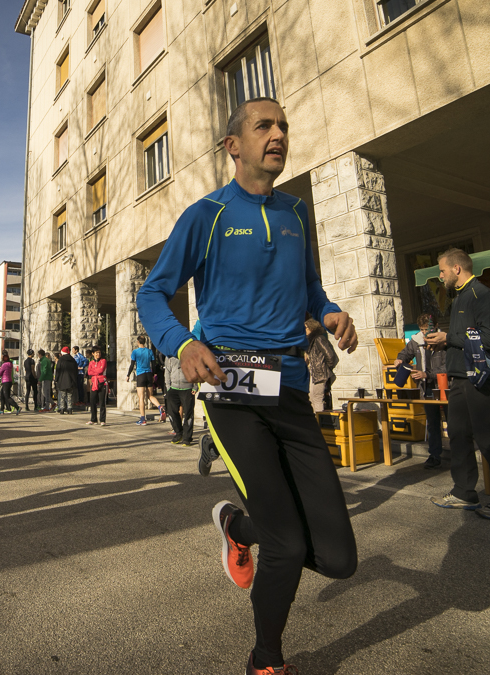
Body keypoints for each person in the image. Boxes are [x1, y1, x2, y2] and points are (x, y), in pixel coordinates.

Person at [137, 97, 360, 675]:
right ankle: (266, 659)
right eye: (265, 125)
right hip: (231, 389)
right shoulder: (206, 215)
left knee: (339, 559)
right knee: (287, 543)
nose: (278, 133)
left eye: (283, 125)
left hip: (290, 388)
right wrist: (182, 343)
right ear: (233, 146)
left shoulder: (296, 213)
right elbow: (151, 292)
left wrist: (329, 311)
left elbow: (310, 289)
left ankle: (237, 525)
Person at [425, 248, 490, 519]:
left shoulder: (483, 295)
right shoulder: (459, 298)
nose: (441, 276)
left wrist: (449, 338)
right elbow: (465, 339)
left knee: (488, 439)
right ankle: (463, 493)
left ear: (456, 269)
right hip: (458, 377)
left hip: (480, 378)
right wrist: (444, 344)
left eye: (442, 270)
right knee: (457, 435)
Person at [394, 313, 448, 469]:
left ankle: (460, 454)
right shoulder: (417, 340)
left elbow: (449, 366)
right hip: (427, 387)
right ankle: (434, 455)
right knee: (432, 422)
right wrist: (400, 359)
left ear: (435, 326)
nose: (425, 333)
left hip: (444, 385)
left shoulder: (443, 340)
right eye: (422, 329)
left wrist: (427, 374)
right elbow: (405, 353)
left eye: (427, 329)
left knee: (452, 421)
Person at [127, 336, 164, 425]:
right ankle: (160, 407)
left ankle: (143, 419)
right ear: (145, 341)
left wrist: (128, 375)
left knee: (141, 398)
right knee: (150, 396)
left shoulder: (135, 352)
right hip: (149, 374)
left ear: (137, 342)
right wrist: (153, 374)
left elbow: (132, 365)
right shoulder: (150, 351)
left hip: (141, 375)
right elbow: (153, 364)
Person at [304, 317, 338, 413]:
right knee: (312, 397)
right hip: (315, 373)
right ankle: (316, 418)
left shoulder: (319, 338)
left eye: (306, 327)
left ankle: (319, 420)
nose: (304, 330)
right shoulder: (311, 341)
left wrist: (325, 368)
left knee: (317, 397)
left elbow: (330, 355)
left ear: (312, 328)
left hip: (320, 373)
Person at [164, 353, 198, 445]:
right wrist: (168, 387)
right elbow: (167, 371)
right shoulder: (169, 355)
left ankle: (187, 437)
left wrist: (195, 386)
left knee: (188, 413)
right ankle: (179, 433)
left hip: (187, 388)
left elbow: (196, 369)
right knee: (171, 412)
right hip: (173, 388)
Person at [86, 346, 109, 426]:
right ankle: (93, 419)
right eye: (96, 353)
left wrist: (95, 371)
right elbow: (89, 372)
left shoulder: (103, 361)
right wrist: (96, 372)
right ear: (93, 354)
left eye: (99, 352)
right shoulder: (91, 362)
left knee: (102, 402)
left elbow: (101, 370)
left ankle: (102, 420)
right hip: (94, 383)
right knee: (92, 401)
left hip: (102, 383)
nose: (98, 354)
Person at [54, 346, 79, 414]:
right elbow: (76, 371)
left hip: (62, 380)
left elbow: (58, 370)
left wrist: (56, 379)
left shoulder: (61, 360)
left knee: (62, 395)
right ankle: (69, 408)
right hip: (71, 380)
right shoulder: (73, 360)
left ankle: (62, 408)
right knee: (69, 395)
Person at [0, 350, 20, 414]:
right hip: (9, 381)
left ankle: (17, 407)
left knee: (7, 397)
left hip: (5, 381)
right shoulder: (10, 364)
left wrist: (0, 369)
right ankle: (2, 409)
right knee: (2, 395)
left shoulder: (4, 365)